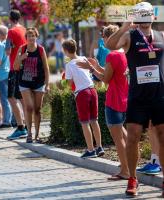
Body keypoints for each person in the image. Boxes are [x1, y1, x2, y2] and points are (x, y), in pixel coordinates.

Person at [106, 2, 164, 197]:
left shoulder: (161, 36)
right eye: (141, 14)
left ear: (153, 17)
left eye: (147, 14)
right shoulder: (130, 36)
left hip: (159, 95)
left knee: (162, 136)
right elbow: (110, 45)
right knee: (132, 137)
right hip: (138, 97)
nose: (144, 17)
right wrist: (124, 25)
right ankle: (132, 179)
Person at [77, 25, 129, 179]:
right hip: (125, 99)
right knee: (124, 134)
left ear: (109, 38)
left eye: (104, 38)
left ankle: (125, 171)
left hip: (114, 101)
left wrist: (91, 69)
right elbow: (111, 75)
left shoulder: (112, 55)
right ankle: (130, 165)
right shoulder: (124, 53)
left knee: (118, 139)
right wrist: (96, 66)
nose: (103, 41)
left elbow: (106, 80)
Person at [63, 39, 104, 158]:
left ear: (66, 51)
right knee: (94, 120)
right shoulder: (84, 59)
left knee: (85, 122)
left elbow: (70, 83)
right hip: (92, 90)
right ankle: (99, 147)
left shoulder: (69, 64)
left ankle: (90, 150)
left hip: (82, 93)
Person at [14, 27, 50, 143]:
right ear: (26, 38)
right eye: (29, 36)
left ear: (36, 37)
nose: (31, 38)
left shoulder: (40, 50)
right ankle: (29, 133)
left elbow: (46, 68)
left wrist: (47, 84)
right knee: (29, 107)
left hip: (39, 82)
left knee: (37, 109)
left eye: (33, 35)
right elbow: (15, 67)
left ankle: (37, 135)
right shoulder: (22, 49)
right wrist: (21, 58)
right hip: (24, 82)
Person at [5, 9, 28, 140]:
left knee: (11, 98)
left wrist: (10, 47)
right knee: (23, 98)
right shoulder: (24, 29)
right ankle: (27, 126)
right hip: (25, 66)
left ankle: (20, 127)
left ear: (10, 19)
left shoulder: (11, 32)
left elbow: (7, 51)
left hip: (15, 67)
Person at [0, 28, 12, 129]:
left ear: (0, 34)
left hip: (1, 75)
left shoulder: (0, 46)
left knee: (4, 99)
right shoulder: (8, 43)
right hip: (8, 72)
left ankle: (6, 121)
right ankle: (11, 119)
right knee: (10, 98)